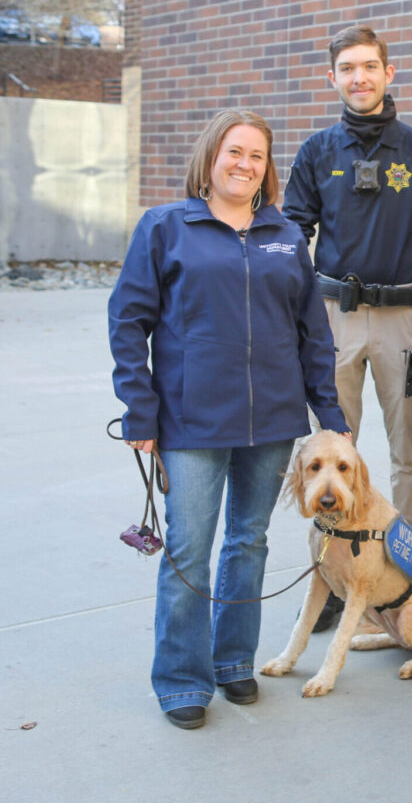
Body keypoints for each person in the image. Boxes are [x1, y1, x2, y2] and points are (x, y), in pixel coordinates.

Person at [108, 109, 349, 730]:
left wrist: (330, 412)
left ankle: (233, 660)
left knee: (249, 540)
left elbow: (311, 332)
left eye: (258, 157)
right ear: (210, 158)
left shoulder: (285, 235)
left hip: (272, 420)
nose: (245, 165)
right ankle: (181, 680)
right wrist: (140, 405)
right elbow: (128, 320)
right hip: (190, 419)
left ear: (269, 170)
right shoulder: (167, 227)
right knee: (188, 548)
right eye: (234, 153)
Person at [283, 24, 412, 631]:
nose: (360, 77)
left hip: (402, 321)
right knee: (331, 452)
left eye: (370, 67)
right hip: (333, 320)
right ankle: (334, 582)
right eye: (347, 68)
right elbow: (289, 235)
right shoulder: (316, 153)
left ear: (388, 74)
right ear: (332, 78)